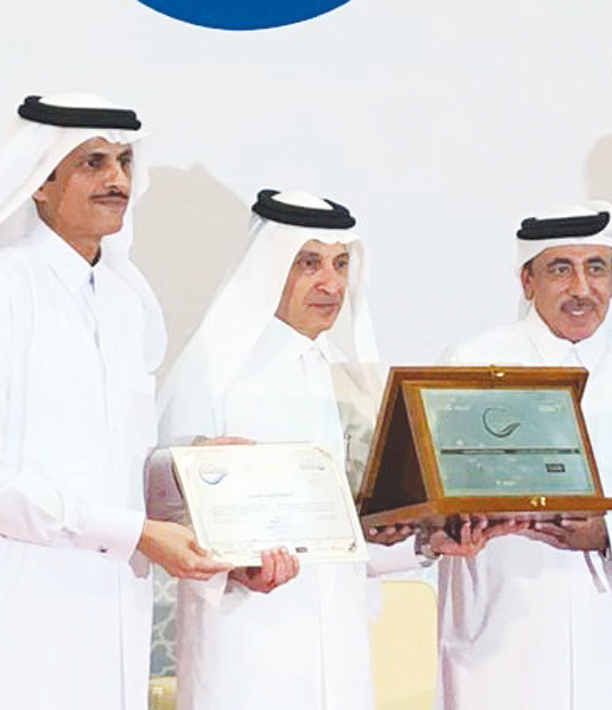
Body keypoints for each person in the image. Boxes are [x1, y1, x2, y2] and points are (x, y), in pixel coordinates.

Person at [0, 93, 230, 710]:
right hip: (8, 619)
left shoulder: (125, 301)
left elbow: (113, 467)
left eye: (126, 162)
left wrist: (194, 473)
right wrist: (131, 531)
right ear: (40, 185)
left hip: (108, 615)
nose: (117, 180)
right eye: (92, 163)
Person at [153, 189, 488, 710]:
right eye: (308, 263)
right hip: (248, 644)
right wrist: (234, 563)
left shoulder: (347, 380)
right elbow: (162, 509)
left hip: (343, 651)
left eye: (340, 264)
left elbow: (347, 540)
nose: (331, 284)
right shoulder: (212, 368)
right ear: (266, 269)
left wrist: (424, 543)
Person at [437, 202, 612, 709]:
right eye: (560, 269)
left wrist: (610, 534)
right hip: (501, 637)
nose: (581, 288)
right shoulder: (474, 361)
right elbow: (432, 494)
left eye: (596, 268)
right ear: (528, 282)